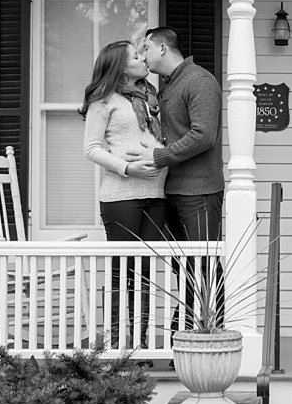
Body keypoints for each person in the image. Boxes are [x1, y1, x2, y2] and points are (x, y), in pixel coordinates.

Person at [80, 39, 167, 348]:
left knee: (144, 274)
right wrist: (127, 169)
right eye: (136, 55)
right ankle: (118, 345)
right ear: (119, 66)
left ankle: (140, 345)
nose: (143, 58)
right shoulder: (104, 101)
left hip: (156, 195)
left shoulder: (151, 98)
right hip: (121, 197)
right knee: (121, 272)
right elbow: (91, 149)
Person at [132, 26, 224, 242]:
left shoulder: (200, 81)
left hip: (198, 193)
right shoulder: (168, 86)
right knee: (181, 269)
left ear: (162, 48)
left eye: (146, 48)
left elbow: (203, 135)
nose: (143, 57)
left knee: (203, 268)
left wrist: (158, 156)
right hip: (172, 190)